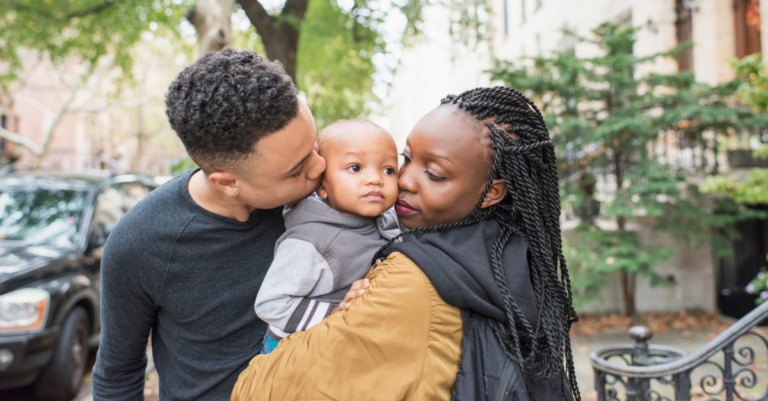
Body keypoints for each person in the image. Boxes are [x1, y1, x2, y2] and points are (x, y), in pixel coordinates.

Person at [231, 86, 580, 401]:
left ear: (492, 192)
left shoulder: (410, 279)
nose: (404, 181)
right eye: (407, 159)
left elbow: (266, 391)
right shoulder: (511, 251)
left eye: (434, 174)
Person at [91, 48, 326, 400]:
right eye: (297, 169)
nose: (321, 167)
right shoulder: (139, 245)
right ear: (227, 182)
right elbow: (117, 375)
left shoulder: (326, 196)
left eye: (315, 145)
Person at [255, 119, 401, 354]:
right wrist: (333, 313)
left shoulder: (386, 217)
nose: (376, 179)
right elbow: (271, 304)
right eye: (355, 168)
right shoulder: (311, 242)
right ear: (322, 187)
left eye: (388, 170)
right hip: (293, 350)